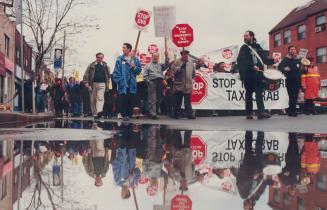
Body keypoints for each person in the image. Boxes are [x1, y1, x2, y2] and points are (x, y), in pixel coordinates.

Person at [237, 30, 275, 120]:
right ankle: (249, 113)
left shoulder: (258, 47)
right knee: (249, 94)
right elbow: (242, 60)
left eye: (246, 36)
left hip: (258, 74)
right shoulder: (243, 48)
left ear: (252, 36)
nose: (245, 37)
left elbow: (264, 59)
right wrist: (252, 66)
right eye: (244, 36)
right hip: (248, 75)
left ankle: (261, 111)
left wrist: (273, 61)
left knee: (259, 93)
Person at [112, 43, 142, 121]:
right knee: (122, 97)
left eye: (124, 47)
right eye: (123, 47)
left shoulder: (135, 59)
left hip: (131, 82)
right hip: (123, 82)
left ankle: (128, 114)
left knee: (131, 97)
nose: (123, 49)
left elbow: (139, 71)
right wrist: (120, 80)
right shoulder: (120, 59)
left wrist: (134, 67)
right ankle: (121, 113)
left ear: (129, 49)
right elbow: (116, 71)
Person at [83, 52, 111, 119]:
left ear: (103, 58)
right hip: (93, 84)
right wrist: (87, 85)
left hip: (102, 84)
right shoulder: (91, 66)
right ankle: (94, 113)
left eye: (101, 58)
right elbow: (86, 76)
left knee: (100, 98)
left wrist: (108, 85)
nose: (100, 59)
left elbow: (108, 76)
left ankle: (99, 112)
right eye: (98, 57)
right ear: (96, 58)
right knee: (93, 100)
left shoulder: (106, 66)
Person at [278, 45, 304, 117]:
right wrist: (284, 69)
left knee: (295, 96)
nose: (293, 50)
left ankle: (292, 111)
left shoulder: (299, 60)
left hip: (297, 80)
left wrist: (304, 66)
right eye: (291, 49)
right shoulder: (286, 59)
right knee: (291, 96)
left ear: (296, 51)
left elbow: (302, 70)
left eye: (294, 49)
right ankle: (292, 111)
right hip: (290, 80)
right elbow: (279, 67)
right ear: (289, 51)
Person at [143, 52, 169, 119]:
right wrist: (149, 82)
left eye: (157, 56)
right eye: (154, 56)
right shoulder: (148, 65)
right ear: (152, 57)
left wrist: (167, 58)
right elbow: (145, 76)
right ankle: (153, 113)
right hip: (152, 82)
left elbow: (166, 65)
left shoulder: (160, 65)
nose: (155, 57)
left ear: (158, 57)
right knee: (152, 98)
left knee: (159, 98)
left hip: (160, 82)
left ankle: (155, 112)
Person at [172, 49, 196, 119]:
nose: (185, 55)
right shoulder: (176, 61)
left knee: (187, 101)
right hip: (179, 84)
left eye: (187, 53)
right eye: (184, 53)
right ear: (181, 54)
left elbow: (193, 72)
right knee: (177, 101)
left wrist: (193, 76)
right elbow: (173, 71)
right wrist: (180, 68)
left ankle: (190, 114)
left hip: (188, 84)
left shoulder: (191, 62)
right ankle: (176, 114)